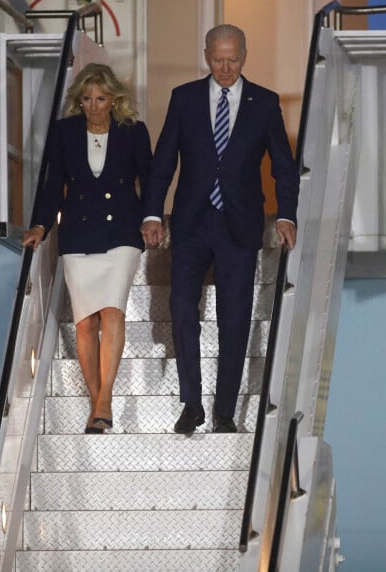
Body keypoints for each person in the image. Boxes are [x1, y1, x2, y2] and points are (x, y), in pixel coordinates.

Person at [141, 24, 299, 434]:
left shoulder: (264, 103)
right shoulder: (185, 98)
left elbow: (283, 165)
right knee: (180, 308)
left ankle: (225, 411)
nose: (225, 68)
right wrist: (153, 214)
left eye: (232, 59)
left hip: (240, 225)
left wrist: (286, 215)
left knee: (235, 318)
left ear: (244, 56)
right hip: (192, 222)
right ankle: (191, 404)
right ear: (206, 55)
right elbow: (163, 162)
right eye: (217, 59)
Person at [23, 63, 152, 434]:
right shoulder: (64, 133)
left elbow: (150, 176)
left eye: (101, 98)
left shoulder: (133, 131)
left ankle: (105, 400)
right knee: (85, 321)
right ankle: (97, 404)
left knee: (112, 312)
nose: (94, 105)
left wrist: (151, 218)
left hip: (122, 235)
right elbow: (53, 185)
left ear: (114, 98)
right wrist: (41, 225)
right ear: (79, 101)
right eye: (87, 99)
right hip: (78, 234)